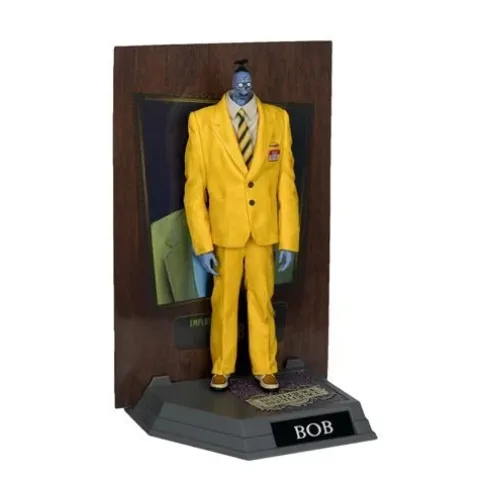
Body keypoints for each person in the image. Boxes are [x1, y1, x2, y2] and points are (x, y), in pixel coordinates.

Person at [183, 59, 300, 391]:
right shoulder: (202, 122)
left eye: (249, 82)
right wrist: (203, 244)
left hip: (263, 232)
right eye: (239, 82)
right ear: (231, 83)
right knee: (223, 303)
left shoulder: (278, 118)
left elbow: (286, 185)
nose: (244, 87)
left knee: (262, 301)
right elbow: (194, 191)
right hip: (225, 233)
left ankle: (266, 365)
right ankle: (222, 366)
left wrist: (289, 239)